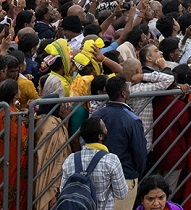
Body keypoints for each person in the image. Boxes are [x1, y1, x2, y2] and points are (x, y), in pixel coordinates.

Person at [100, 75, 150, 210]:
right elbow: (140, 152)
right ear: (123, 93)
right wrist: (135, 173)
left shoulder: (97, 115)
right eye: (128, 89)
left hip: (99, 177)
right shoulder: (132, 120)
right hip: (125, 176)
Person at [62, 116, 129, 210]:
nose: (107, 129)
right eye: (105, 127)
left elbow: (63, 189)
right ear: (100, 136)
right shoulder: (111, 160)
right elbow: (122, 194)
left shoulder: (70, 159)